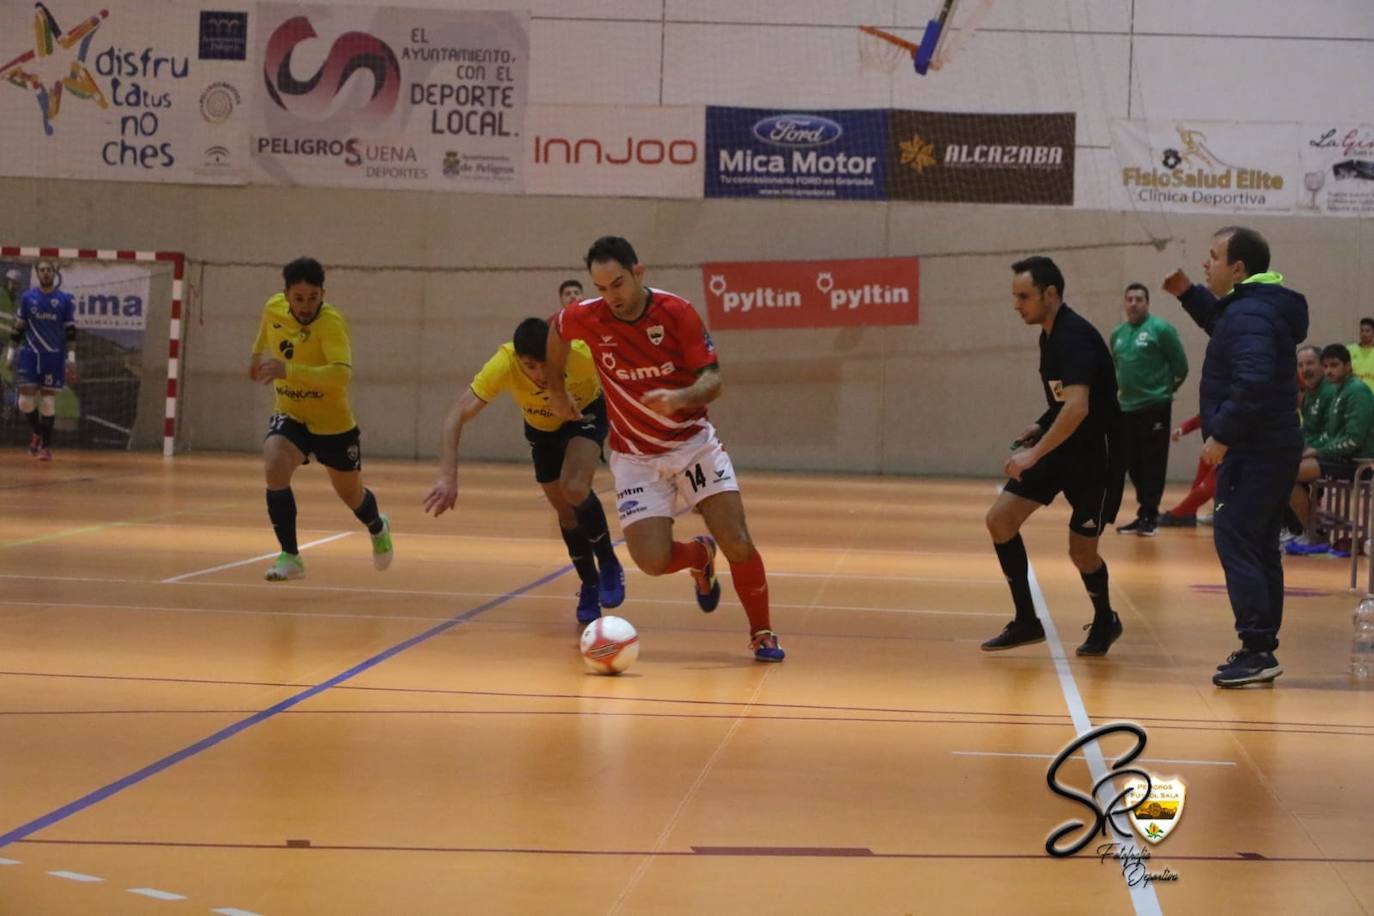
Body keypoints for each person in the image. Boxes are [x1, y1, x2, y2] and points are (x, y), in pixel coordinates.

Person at [544, 236, 784, 662]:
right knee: (652, 562)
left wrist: (680, 398)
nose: (611, 296)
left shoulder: (676, 313)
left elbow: (714, 381)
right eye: (601, 288)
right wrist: (557, 389)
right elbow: (557, 330)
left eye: (618, 284)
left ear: (638, 273)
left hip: (692, 446)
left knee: (737, 539)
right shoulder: (588, 316)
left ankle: (761, 632)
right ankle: (699, 556)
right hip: (635, 458)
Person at [1162, 226, 1308, 687]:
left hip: (1254, 448)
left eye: (1213, 256)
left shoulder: (1249, 314)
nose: (1206, 263)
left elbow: (1253, 379)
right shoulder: (1253, 308)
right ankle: (1259, 647)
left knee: (1238, 539)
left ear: (1238, 268)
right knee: (1258, 544)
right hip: (1270, 446)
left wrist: (1222, 434)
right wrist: (1188, 293)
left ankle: (1257, 648)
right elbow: (1223, 325)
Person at [422, 317, 626, 624]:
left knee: (574, 486)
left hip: (584, 416)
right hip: (542, 431)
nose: (540, 374)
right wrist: (447, 477)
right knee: (565, 512)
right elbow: (456, 415)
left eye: (546, 365)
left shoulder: (580, 355)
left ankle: (609, 562)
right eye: (531, 366)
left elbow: (622, 378)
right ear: (519, 360)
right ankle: (590, 583)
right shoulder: (504, 364)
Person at [981, 256, 1125, 656]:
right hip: (1062, 446)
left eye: (1023, 296)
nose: (1016, 305)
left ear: (1050, 293)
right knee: (1000, 519)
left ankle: (1106, 619)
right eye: (1014, 296)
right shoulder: (1049, 335)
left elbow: (1079, 407)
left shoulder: (1074, 337)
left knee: (1081, 551)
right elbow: (1064, 401)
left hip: (1096, 458)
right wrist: (1041, 424)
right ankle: (1027, 621)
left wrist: (1032, 455)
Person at [249, 257, 393, 581]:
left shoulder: (331, 324)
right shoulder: (273, 307)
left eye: (313, 298)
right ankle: (291, 556)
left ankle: (377, 526)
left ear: (322, 294)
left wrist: (288, 370)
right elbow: (264, 329)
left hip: (333, 424)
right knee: (274, 461)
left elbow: (341, 375)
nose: (305, 306)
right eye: (298, 298)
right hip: (291, 413)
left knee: (351, 496)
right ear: (286, 295)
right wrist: (255, 355)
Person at [1110, 282, 1188, 536]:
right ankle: (1143, 511)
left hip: (1155, 406)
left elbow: (1181, 365)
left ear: (1147, 303)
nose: (1133, 304)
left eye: (1139, 299)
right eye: (1129, 299)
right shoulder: (1118, 334)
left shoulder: (1160, 329)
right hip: (1126, 408)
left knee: (1153, 462)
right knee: (1132, 462)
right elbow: (1118, 368)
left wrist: (1164, 392)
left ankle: (1150, 516)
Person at [1284, 344, 1374, 557]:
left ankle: (1312, 533)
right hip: (1341, 459)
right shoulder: (1341, 390)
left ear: (1348, 366)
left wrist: (1317, 451)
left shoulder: (1357, 392)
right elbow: (1331, 435)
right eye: (1326, 366)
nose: (1329, 371)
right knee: (1284, 467)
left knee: (1287, 473)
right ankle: (1305, 529)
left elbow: (1353, 440)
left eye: (1334, 365)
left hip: (1357, 463)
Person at [5, 260, 76, 461]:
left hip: (53, 356)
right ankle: (37, 432)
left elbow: (70, 332)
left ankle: (45, 447)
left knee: (47, 403)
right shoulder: (28, 298)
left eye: (49, 270)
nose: (45, 273)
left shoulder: (64, 300)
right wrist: (10, 354)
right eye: (42, 270)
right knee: (25, 404)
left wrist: (71, 359)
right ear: (37, 273)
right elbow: (18, 328)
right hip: (29, 355)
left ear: (54, 273)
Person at [1157, 415, 1215, 527]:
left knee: (1210, 486)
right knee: (1199, 483)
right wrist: (1182, 429)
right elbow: (1201, 418)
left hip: (1232, 449)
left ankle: (1181, 513)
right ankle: (1190, 513)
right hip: (1213, 448)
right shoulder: (1212, 407)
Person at [1349, 318, 1374, 386]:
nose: (1364, 334)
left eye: (1367, 331)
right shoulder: (1350, 350)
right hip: (1354, 390)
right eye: (1362, 331)